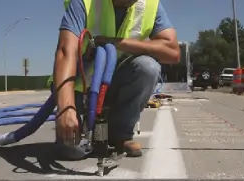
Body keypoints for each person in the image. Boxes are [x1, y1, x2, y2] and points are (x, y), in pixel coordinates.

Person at [52, 0, 180, 157]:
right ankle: (74, 123)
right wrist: (66, 107)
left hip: (114, 84)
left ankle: (119, 135)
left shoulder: (150, 5)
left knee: (148, 67)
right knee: (69, 150)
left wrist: (116, 42)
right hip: (79, 88)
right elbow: (66, 51)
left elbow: (172, 52)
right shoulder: (84, 3)